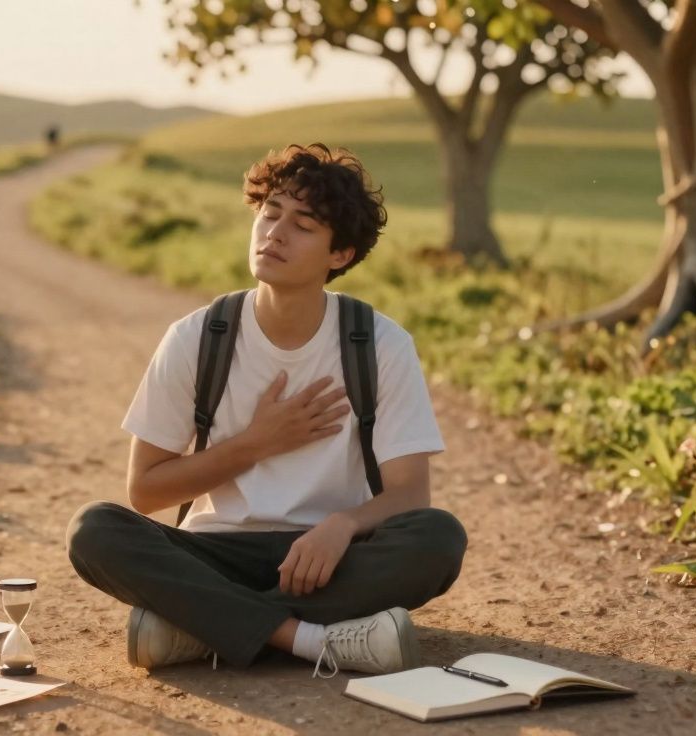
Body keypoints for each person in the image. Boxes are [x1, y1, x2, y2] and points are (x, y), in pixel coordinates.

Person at [65, 143, 466, 678]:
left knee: (438, 538)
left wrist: (343, 525)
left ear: (340, 254)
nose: (275, 232)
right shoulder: (196, 338)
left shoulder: (379, 344)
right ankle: (308, 639)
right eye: (269, 213)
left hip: (329, 558)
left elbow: (411, 494)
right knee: (94, 530)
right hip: (216, 552)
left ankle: (195, 625)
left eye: (303, 224)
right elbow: (146, 492)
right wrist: (257, 443)